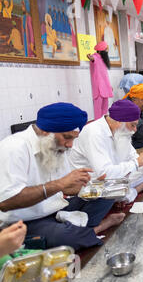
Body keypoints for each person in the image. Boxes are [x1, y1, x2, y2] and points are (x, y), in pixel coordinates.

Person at [0, 103, 125, 251]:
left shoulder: (56, 146)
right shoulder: (14, 148)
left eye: (74, 139)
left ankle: (78, 229)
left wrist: (79, 187)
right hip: (25, 222)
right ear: (46, 131)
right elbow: (6, 202)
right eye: (67, 138)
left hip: (56, 209)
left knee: (107, 193)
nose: (71, 145)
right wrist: (59, 185)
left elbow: (63, 190)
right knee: (66, 237)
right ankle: (99, 227)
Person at [69, 100, 143, 202]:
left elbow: (133, 157)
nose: (135, 130)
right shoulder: (94, 133)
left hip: (113, 179)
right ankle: (137, 189)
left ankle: (133, 190)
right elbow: (105, 175)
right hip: (91, 186)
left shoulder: (121, 133)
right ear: (119, 122)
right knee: (114, 192)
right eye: (132, 125)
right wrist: (138, 162)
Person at [87, 41, 113, 120]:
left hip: (105, 89)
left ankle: (104, 125)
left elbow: (105, 76)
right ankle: (98, 126)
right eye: (105, 49)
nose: (106, 51)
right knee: (98, 111)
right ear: (100, 50)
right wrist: (89, 56)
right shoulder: (95, 57)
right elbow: (91, 58)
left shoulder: (103, 59)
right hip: (98, 90)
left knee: (105, 110)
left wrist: (109, 86)